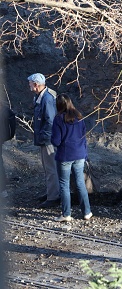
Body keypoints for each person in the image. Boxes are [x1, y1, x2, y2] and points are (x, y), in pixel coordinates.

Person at [51, 94, 92, 222]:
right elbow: (83, 138)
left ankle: (66, 214)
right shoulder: (79, 117)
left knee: (64, 185)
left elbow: (56, 141)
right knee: (80, 183)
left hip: (64, 156)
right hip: (79, 154)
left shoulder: (58, 119)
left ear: (58, 105)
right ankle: (87, 212)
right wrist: (85, 154)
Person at [28, 73, 60, 208]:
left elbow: (50, 121)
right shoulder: (42, 96)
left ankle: (53, 197)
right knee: (49, 168)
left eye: (30, 83)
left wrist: (43, 137)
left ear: (36, 85)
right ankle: (51, 193)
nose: (28, 86)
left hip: (48, 140)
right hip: (46, 138)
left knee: (51, 168)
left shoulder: (46, 99)